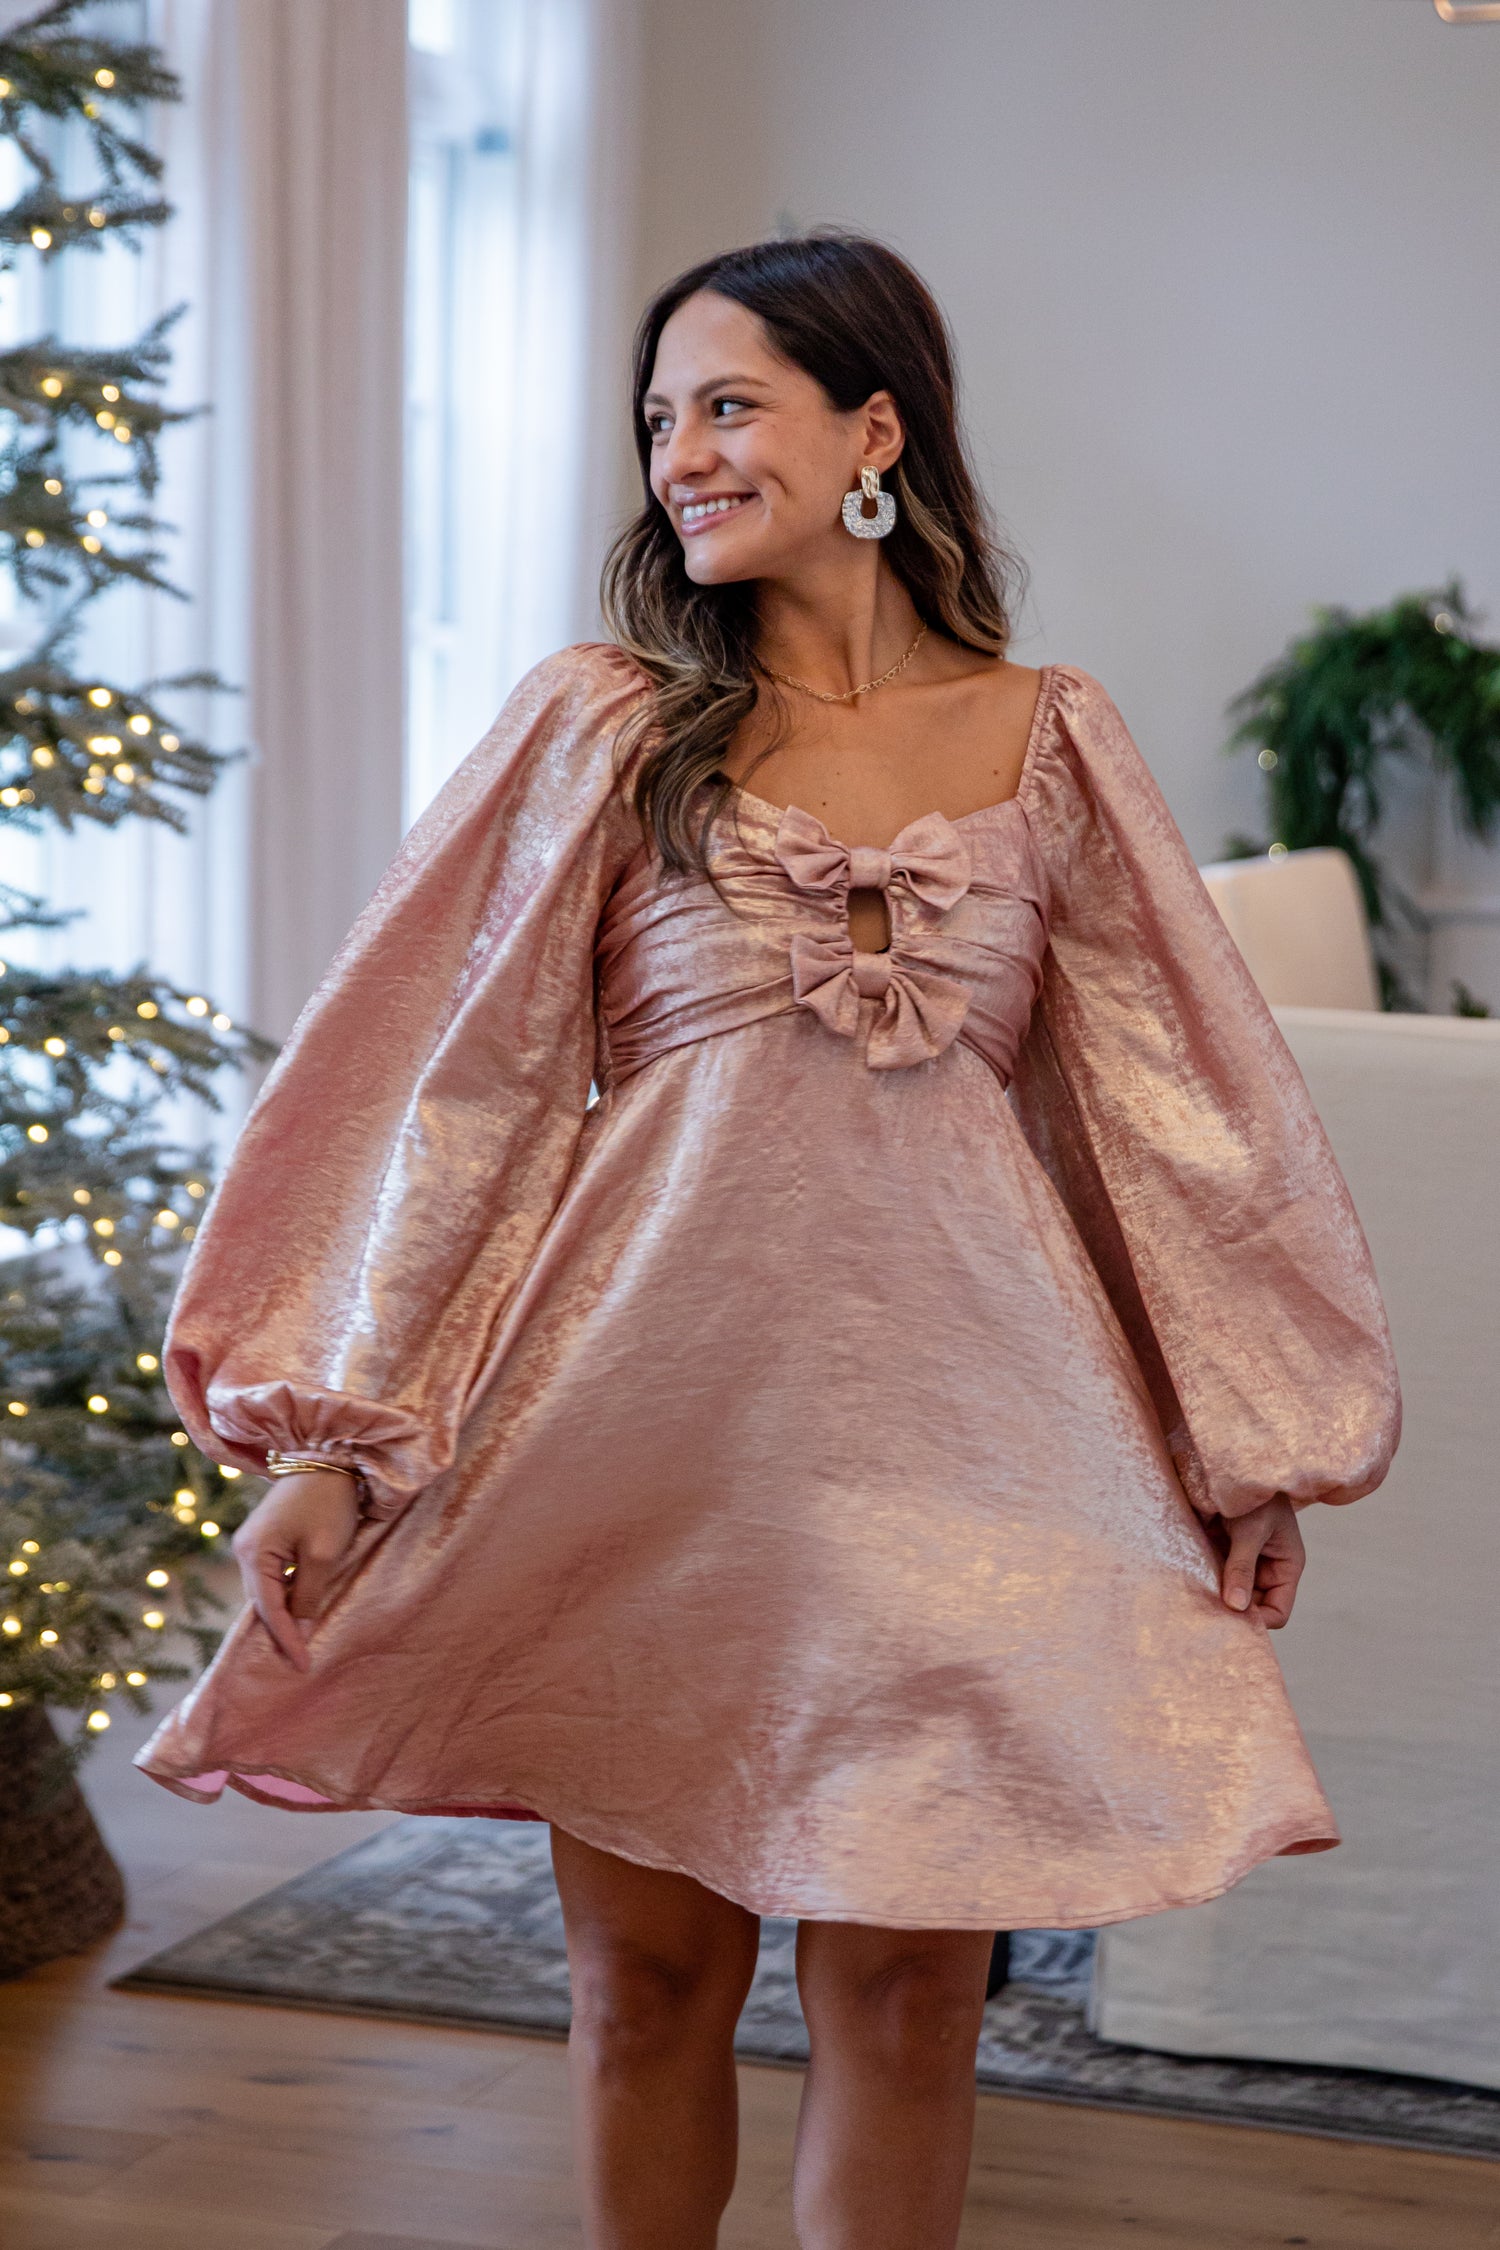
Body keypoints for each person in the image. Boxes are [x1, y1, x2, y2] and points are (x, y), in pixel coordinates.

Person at [137, 234, 1400, 2249]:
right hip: (657, 1435)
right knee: (647, 1990)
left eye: (729, 404)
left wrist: (1242, 1434)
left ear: (873, 430)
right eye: (660, 419)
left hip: (988, 1443)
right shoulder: (604, 726)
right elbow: (447, 1093)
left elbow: (1166, 1124)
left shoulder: (1053, 738)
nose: (682, 455)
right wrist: (330, 1436)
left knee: (908, 1995)